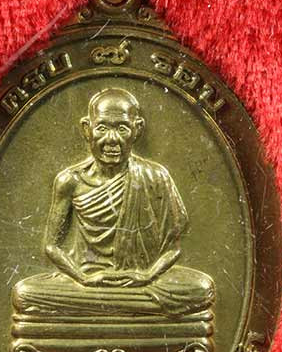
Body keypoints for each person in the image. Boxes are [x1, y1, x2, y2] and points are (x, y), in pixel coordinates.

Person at [12, 88, 214, 318]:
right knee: (24, 293)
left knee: (202, 288)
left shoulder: (155, 176)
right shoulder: (70, 181)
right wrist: (83, 278)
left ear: (137, 130)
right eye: (102, 128)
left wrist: (146, 276)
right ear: (87, 129)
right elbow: (52, 246)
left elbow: (173, 247)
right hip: (87, 280)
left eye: (122, 128)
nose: (112, 139)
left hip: (142, 280)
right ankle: (125, 307)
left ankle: (106, 306)